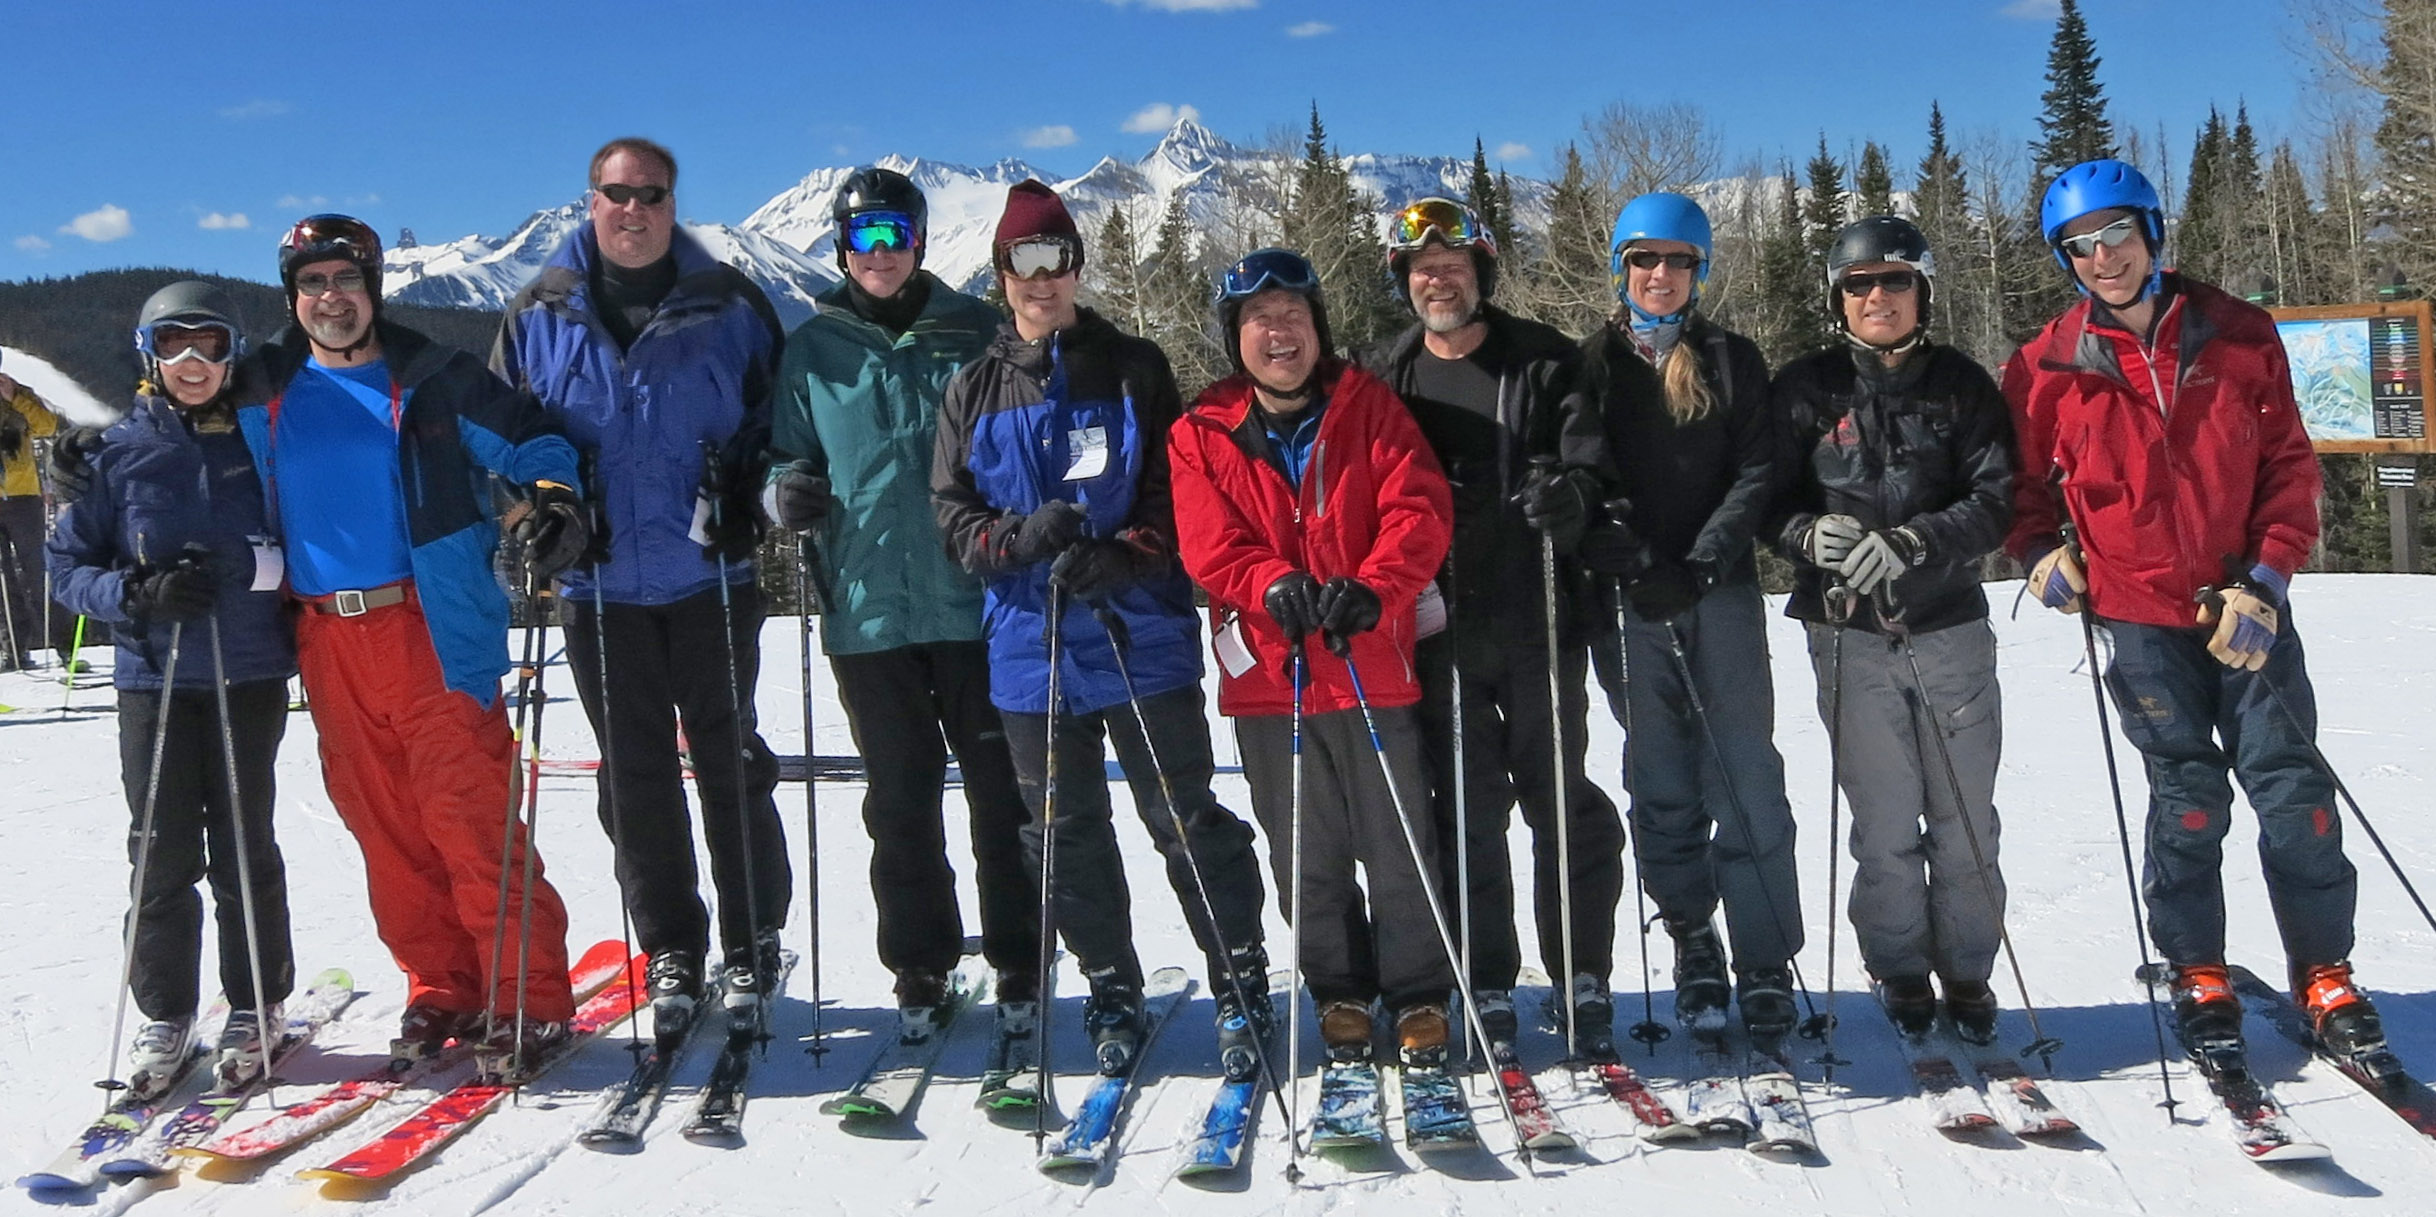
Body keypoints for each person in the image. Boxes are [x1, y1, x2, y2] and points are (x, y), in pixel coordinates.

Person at [2005, 159, 2383, 1062]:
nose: (2103, 258)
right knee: (2186, 796)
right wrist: (2039, 553)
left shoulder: (2239, 334)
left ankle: (2324, 968)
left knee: (2291, 791)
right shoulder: (2045, 363)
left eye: (2116, 236)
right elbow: (2019, 491)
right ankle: (2198, 966)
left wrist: (2268, 581)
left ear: (2151, 233)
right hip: (2138, 619)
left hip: (2241, 607)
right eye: (2080, 247)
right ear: (2066, 260)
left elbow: (2289, 467)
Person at [931, 180, 1271, 1073]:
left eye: (1056, 259)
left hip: (1137, 632)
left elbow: (1175, 486)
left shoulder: (1134, 366)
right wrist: (1011, 539)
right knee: (1062, 830)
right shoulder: (971, 388)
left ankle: (1239, 975)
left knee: (1183, 813)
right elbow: (952, 515)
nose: (1041, 279)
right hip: (1027, 644)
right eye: (1022, 262)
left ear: (1077, 267)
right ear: (1000, 273)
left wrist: (1133, 551)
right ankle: (1110, 979)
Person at [240, 213, 586, 1074]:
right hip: (326, 638)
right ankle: (444, 987)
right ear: (295, 296)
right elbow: (180, 428)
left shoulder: (436, 377)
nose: (331, 298)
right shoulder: (265, 389)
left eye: (346, 281)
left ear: (372, 288)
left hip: (431, 628)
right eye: (313, 284)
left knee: (469, 820)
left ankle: (529, 998)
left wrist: (552, 496)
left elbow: (537, 439)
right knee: (386, 831)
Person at [493, 137, 791, 1041]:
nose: (633, 210)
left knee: (730, 759)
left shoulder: (731, 304)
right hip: (599, 586)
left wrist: (759, 500)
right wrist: (529, 521)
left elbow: (778, 425)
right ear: (589, 202)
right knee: (634, 777)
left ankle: (752, 936)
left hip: (713, 577)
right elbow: (502, 441)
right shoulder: (535, 313)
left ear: (672, 203)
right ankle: (671, 942)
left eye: (651, 195)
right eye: (616, 194)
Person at [763, 166, 1038, 1037]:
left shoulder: (976, 332)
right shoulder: (814, 349)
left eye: (895, 235)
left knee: (1003, 791)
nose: (879, 254)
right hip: (867, 608)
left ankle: (1021, 961)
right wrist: (785, 493)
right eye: (863, 238)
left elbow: (1021, 440)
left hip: (975, 603)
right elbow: (785, 454)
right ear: (842, 247)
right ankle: (920, 965)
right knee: (900, 798)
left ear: (918, 240)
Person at [1169, 248, 1456, 1065]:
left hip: (1369, 662)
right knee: (1306, 852)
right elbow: (1208, 540)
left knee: (1399, 846)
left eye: (1292, 314)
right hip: (1273, 674)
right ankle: (1337, 989)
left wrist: (1374, 587)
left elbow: (1419, 509)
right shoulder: (1201, 431)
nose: (1278, 332)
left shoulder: (1370, 408)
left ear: (1317, 327)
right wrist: (1270, 582)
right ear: (1236, 337)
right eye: (1259, 320)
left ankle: (1418, 992)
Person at [1360, 196, 1625, 1057]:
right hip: (1438, 626)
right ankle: (1489, 972)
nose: (1439, 280)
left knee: (1561, 799)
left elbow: (1593, 459)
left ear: (1482, 274)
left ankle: (1581, 970)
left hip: (1540, 615)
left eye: (1455, 266)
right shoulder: (1387, 373)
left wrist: (1571, 494)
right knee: (1466, 810)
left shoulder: (1543, 360)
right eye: (1423, 270)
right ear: (1406, 283)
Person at [1769, 216, 2016, 1044]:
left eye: (1895, 281)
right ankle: (1901, 964)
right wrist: (1805, 535)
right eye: (1859, 284)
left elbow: (1995, 499)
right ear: (1837, 297)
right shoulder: (1804, 388)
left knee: (1964, 814)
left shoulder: (1960, 385)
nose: (1878, 297)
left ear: (1923, 291)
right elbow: (1763, 496)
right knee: (1881, 816)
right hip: (1847, 632)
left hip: (1947, 625)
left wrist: (1917, 541)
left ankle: (1970, 966)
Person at [47, 281, 296, 1095]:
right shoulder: (118, 450)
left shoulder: (261, 438)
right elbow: (66, 567)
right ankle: (165, 1009)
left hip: (247, 670)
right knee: (159, 849)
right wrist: (135, 594)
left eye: (211, 345)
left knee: (243, 841)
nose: (195, 362)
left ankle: (258, 1001)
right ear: (148, 356)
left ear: (234, 352)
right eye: (175, 345)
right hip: (153, 676)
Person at [1581, 191, 1800, 1047]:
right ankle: (1692, 938)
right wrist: (1638, 559)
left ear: (1699, 269)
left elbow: (1757, 471)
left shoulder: (1732, 359)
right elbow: (1582, 468)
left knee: (1746, 774)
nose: (1660, 275)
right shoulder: (1593, 362)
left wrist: (1703, 563)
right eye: (1644, 260)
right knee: (1663, 779)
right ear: (1623, 268)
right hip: (1633, 599)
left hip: (1723, 594)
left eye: (1677, 260)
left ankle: (1765, 958)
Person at [0, 353, 62, 669]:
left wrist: (14, 398)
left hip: (23, 496)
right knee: (2, 579)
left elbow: (47, 425)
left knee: (39, 570)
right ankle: (13, 649)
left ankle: (63, 646)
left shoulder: (18, 392)